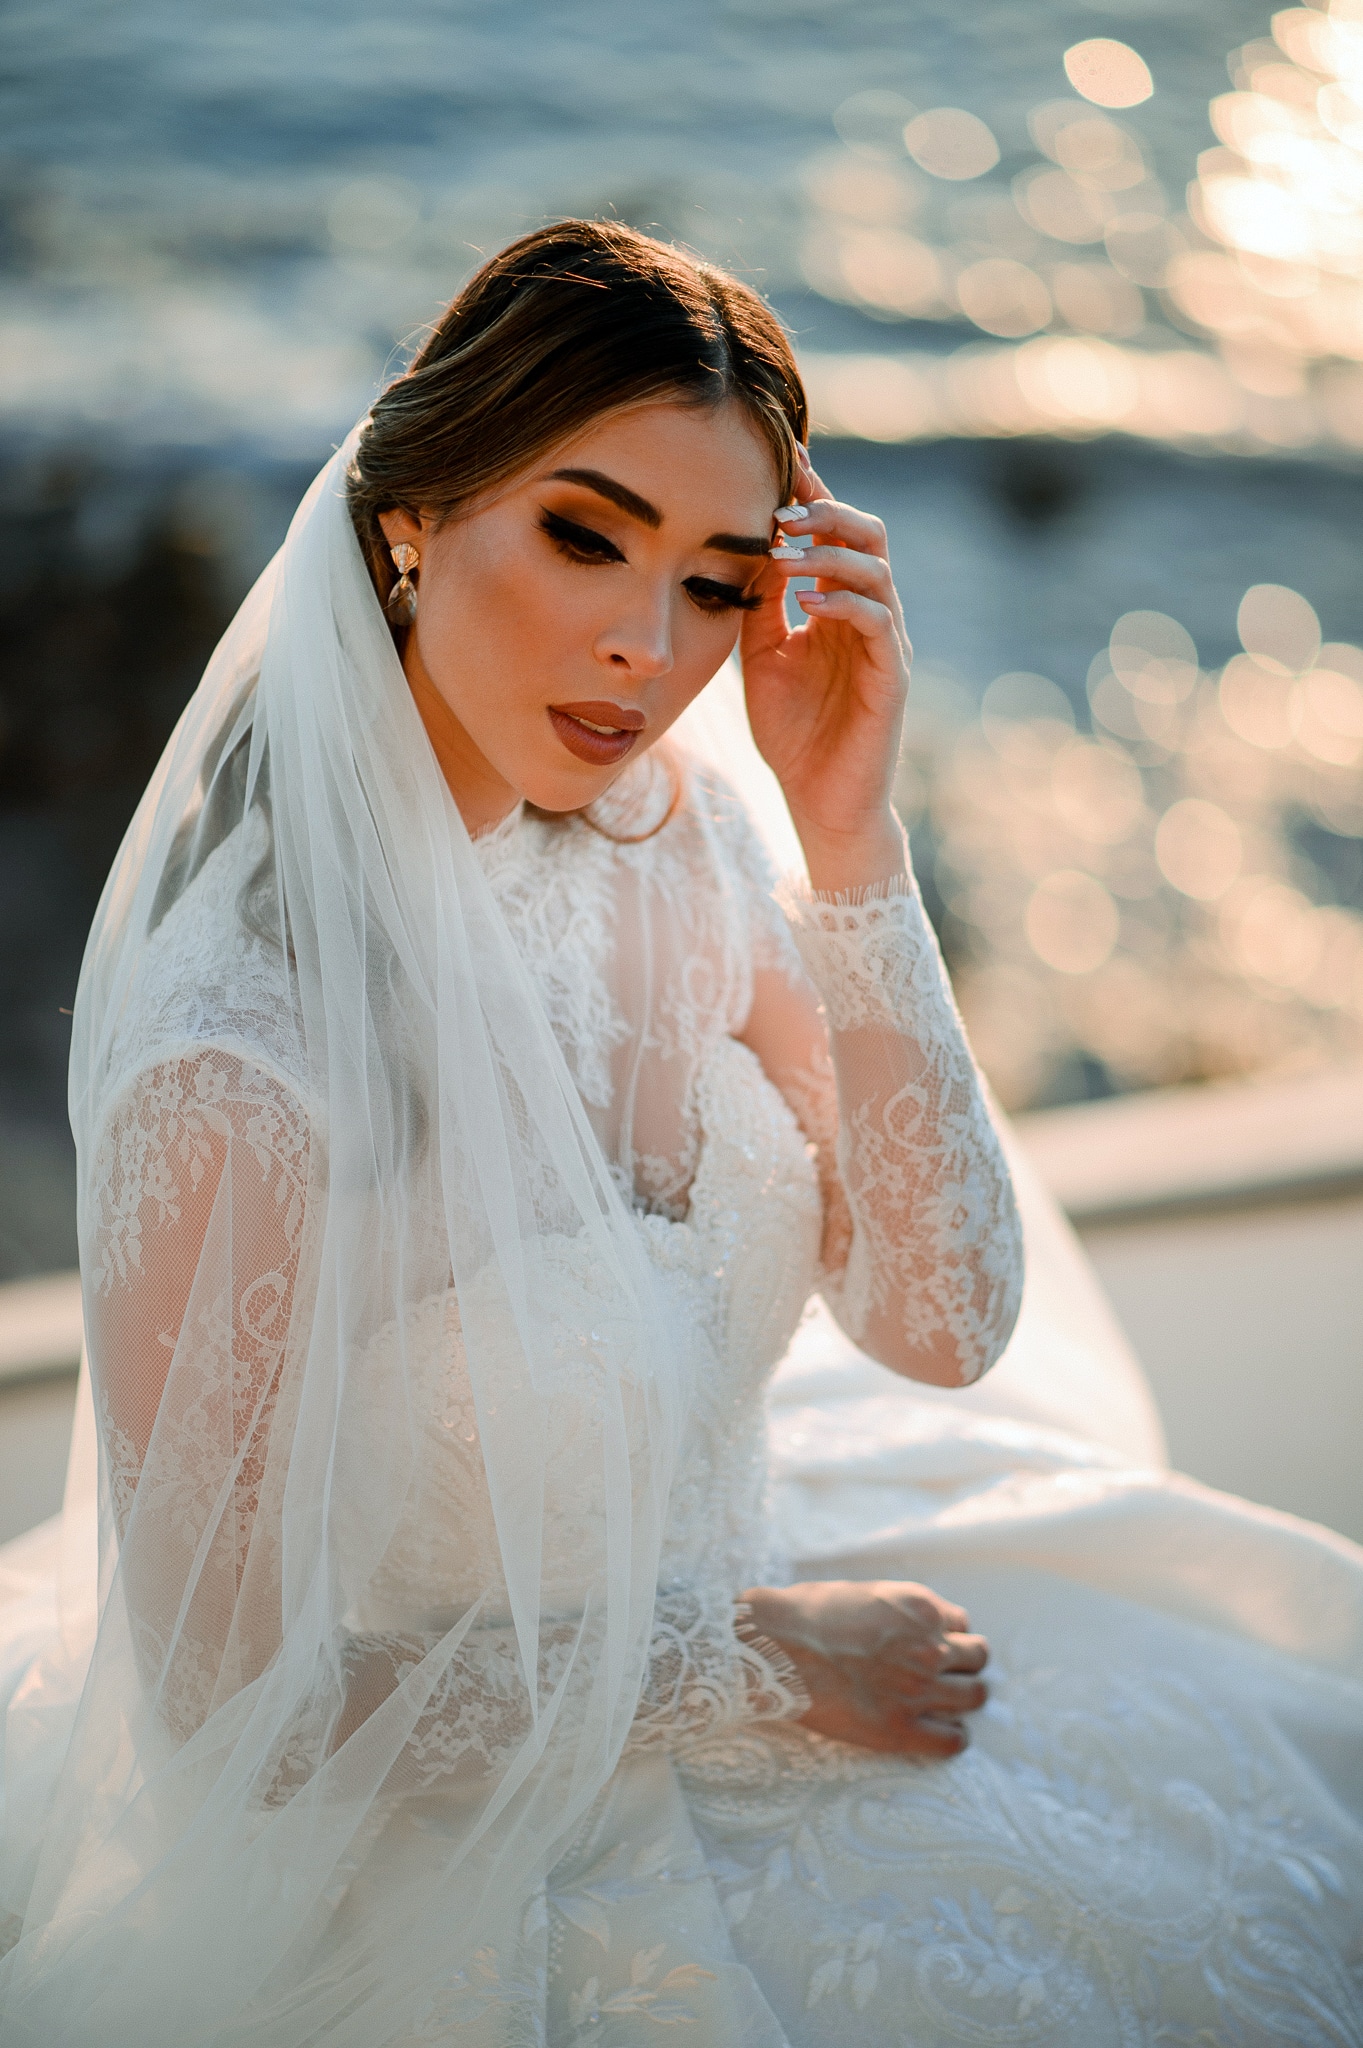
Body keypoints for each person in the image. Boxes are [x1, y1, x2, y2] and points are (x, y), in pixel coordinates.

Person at [0, 221, 1358, 2047]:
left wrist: (850, 834)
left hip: (803, 1628)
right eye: (585, 534)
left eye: (721, 582)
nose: (647, 650)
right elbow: (231, 1723)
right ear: (412, 516)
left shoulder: (689, 837)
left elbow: (942, 1321)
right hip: (454, 1859)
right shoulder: (242, 1063)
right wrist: (741, 1671)